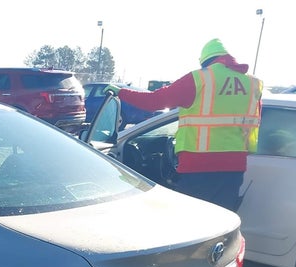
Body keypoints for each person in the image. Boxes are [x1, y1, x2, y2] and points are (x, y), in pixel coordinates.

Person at [106, 39, 263, 211]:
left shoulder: (201, 78)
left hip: (199, 166)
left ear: (206, 60)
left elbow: (154, 101)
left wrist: (120, 92)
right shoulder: (253, 83)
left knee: (192, 220)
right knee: (221, 219)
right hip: (234, 166)